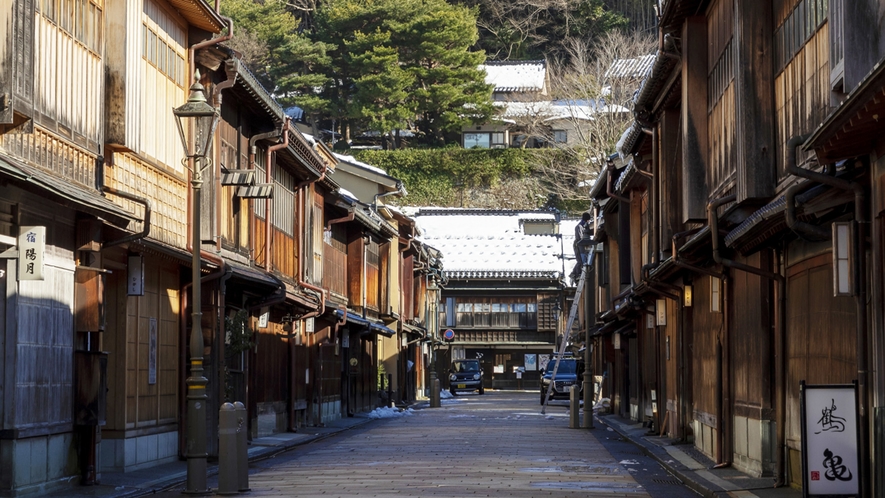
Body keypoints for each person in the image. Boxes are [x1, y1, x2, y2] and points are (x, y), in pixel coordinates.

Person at [571, 212, 592, 279]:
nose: (589, 221)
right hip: (578, 246)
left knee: (583, 261)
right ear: (587, 220)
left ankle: (574, 274)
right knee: (580, 261)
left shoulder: (584, 226)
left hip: (583, 246)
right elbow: (579, 238)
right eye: (588, 220)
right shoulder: (579, 227)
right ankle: (576, 275)